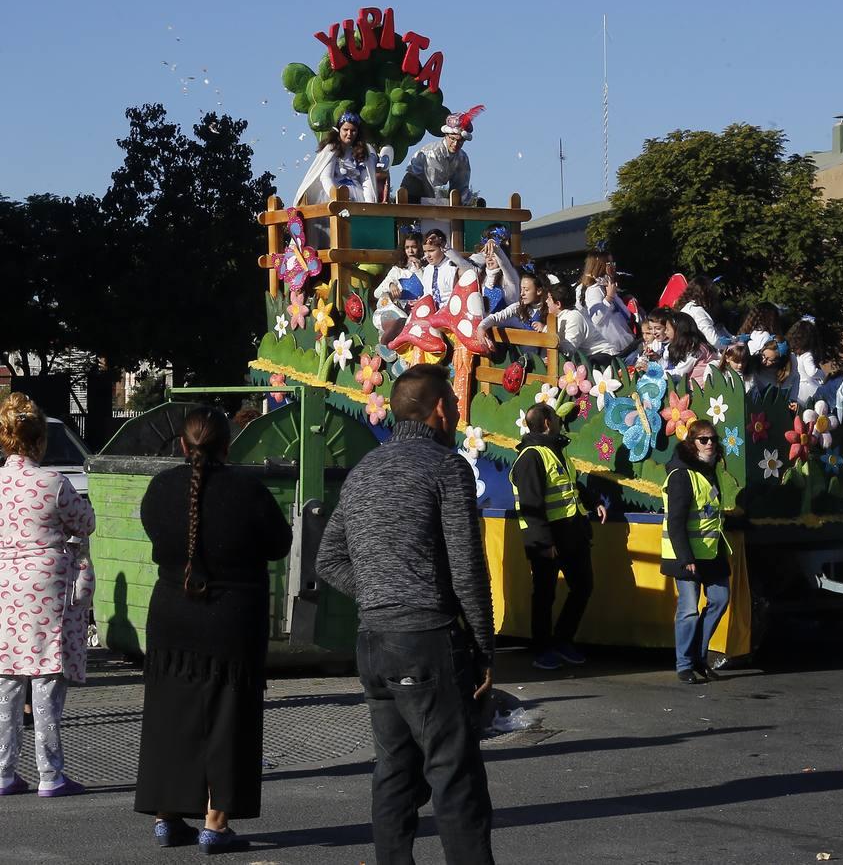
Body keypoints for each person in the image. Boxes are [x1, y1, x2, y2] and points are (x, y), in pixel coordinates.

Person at [315, 365, 496, 865]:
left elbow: (327, 559)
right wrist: (483, 645)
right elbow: (466, 566)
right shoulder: (446, 467)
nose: (459, 413)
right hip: (427, 638)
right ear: (440, 408)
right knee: (454, 775)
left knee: (394, 772)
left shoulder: (364, 471)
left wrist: (377, 593)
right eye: (455, 404)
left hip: (374, 641)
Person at [134, 407, 293, 852]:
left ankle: (167, 818)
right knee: (228, 718)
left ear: (182, 446)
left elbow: (153, 531)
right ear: (228, 445)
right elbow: (280, 543)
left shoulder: (162, 487)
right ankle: (215, 824)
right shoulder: (248, 490)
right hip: (232, 620)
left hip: (171, 616)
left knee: (170, 714)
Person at [0, 393, 96, 799]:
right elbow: (86, 522)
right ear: (39, 441)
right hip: (47, 583)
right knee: (45, 675)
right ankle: (50, 772)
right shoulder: (53, 483)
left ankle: (3, 771)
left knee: (6, 677)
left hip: (5, 581)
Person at [510, 403, 607, 670]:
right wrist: (545, 543)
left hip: (572, 534)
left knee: (583, 585)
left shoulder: (557, 452)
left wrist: (592, 501)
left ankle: (563, 639)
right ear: (546, 423)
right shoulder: (531, 456)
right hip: (549, 540)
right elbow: (532, 505)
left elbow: (570, 484)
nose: (560, 420)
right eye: (555, 417)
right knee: (544, 595)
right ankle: (542, 649)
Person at [660, 419, 732, 685]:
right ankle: (685, 665)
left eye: (713, 438)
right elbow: (675, 521)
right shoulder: (682, 475)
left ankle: (698, 656)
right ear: (692, 444)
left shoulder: (709, 471)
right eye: (703, 440)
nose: (710, 443)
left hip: (711, 552)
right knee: (689, 609)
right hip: (688, 556)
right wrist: (686, 558)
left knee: (720, 599)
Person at [400, 106, 483, 203]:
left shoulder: (462, 158)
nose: (455, 144)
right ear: (446, 135)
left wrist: (469, 202)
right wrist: (445, 207)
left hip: (434, 190)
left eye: (460, 141)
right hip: (413, 189)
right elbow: (434, 187)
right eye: (452, 139)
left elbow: (460, 188)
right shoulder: (434, 153)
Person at [575, 251, 638, 360]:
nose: (613, 266)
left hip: (621, 339)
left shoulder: (604, 285)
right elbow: (596, 318)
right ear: (600, 266)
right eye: (609, 263)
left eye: (613, 262)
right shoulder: (593, 290)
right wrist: (609, 297)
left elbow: (625, 312)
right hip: (610, 345)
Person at [547, 283, 621, 367]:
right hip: (586, 357)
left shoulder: (574, 317)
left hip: (601, 356)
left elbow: (569, 349)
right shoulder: (559, 317)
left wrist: (552, 341)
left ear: (558, 304)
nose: (546, 301)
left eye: (549, 299)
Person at [476, 271, 548, 350]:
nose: (522, 294)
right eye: (521, 289)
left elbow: (561, 336)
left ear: (539, 291)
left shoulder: (549, 308)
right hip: (526, 355)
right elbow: (496, 317)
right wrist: (481, 327)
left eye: (526, 290)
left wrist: (544, 328)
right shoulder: (519, 306)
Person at [675, 276, 732, 350]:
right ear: (706, 294)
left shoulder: (686, 309)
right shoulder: (697, 311)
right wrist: (733, 346)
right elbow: (714, 342)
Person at [661, 311, 713, 383]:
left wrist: (654, 373)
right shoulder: (686, 346)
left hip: (699, 390)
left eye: (667, 329)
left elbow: (679, 374)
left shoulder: (695, 349)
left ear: (678, 331)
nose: (665, 332)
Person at [787, 316, 826, 405]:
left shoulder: (792, 354)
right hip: (809, 389)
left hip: (795, 389)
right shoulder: (807, 355)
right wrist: (822, 375)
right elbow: (812, 372)